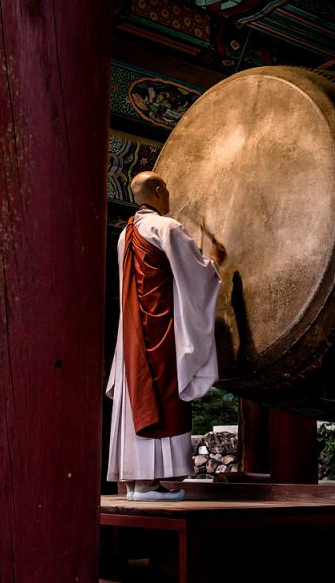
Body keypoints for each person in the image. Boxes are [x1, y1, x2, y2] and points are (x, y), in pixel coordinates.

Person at [106, 171, 223, 501]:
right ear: (158, 190)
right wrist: (214, 262)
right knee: (161, 395)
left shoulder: (125, 234)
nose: (169, 193)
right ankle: (147, 484)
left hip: (132, 334)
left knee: (137, 396)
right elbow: (196, 274)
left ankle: (136, 484)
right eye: (167, 188)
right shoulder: (166, 226)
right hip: (159, 332)